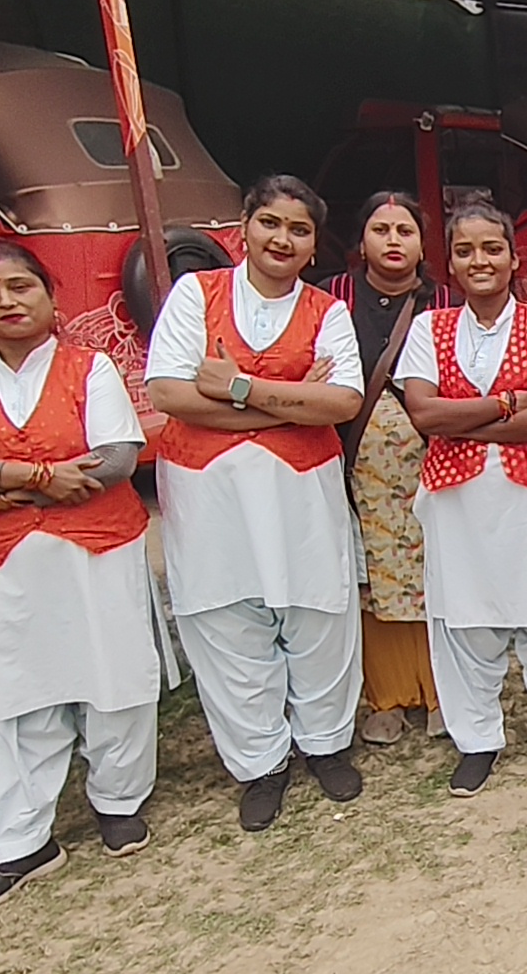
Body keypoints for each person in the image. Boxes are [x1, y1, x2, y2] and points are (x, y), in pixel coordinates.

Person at [0, 241, 163, 912]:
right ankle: (22, 838)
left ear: (50, 295)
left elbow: (113, 459)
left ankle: (118, 799)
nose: (8, 302)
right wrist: (33, 477)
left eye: (21, 287)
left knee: (114, 676)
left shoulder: (89, 368)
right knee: (13, 691)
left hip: (93, 549)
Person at [146, 175, 366, 832]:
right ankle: (261, 764)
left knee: (318, 613)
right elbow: (168, 392)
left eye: (299, 230)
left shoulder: (326, 310)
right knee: (226, 619)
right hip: (208, 491)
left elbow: (343, 402)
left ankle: (326, 745)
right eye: (271, 223)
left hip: (300, 488)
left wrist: (238, 387)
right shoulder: (196, 295)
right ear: (243, 228)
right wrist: (289, 400)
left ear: (313, 244)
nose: (283, 238)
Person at [395, 202, 527, 792]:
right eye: (465, 250)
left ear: (514, 259)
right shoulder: (427, 329)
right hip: (458, 502)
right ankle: (477, 739)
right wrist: (506, 403)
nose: (479, 260)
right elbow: (423, 413)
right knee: (463, 617)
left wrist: (462, 419)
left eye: (492, 247)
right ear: (451, 263)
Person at [327, 192, 455, 746]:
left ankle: (444, 691)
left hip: (434, 454)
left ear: (422, 243)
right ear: (362, 242)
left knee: (438, 569)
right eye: (382, 230)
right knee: (372, 575)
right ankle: (387, 696)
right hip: (357, 462)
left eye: (405, 230)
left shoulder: (446, 300)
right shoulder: (332, 299)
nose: (394, 241)